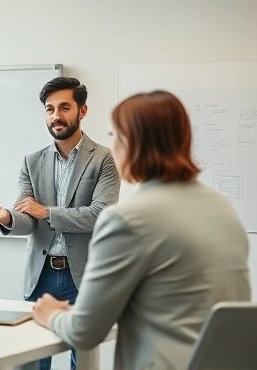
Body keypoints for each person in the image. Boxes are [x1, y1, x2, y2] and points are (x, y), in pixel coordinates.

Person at [32, 90, 251, 370]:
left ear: (131, 143)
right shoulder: (222, 207)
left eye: (115, 136)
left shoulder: (128, 219)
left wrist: (51, 314)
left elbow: (84, 332)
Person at [0, 77, 120, 370]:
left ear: (82, 111)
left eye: (64, 107)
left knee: (83, 360)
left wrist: (46, 212)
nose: (56, 116)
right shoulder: (31, 162)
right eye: (49, 109)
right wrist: (7, 216)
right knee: (32, 361)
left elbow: (101, 215)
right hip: (41, 275)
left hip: (84, 276)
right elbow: (27, 220)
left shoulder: (103, 160)